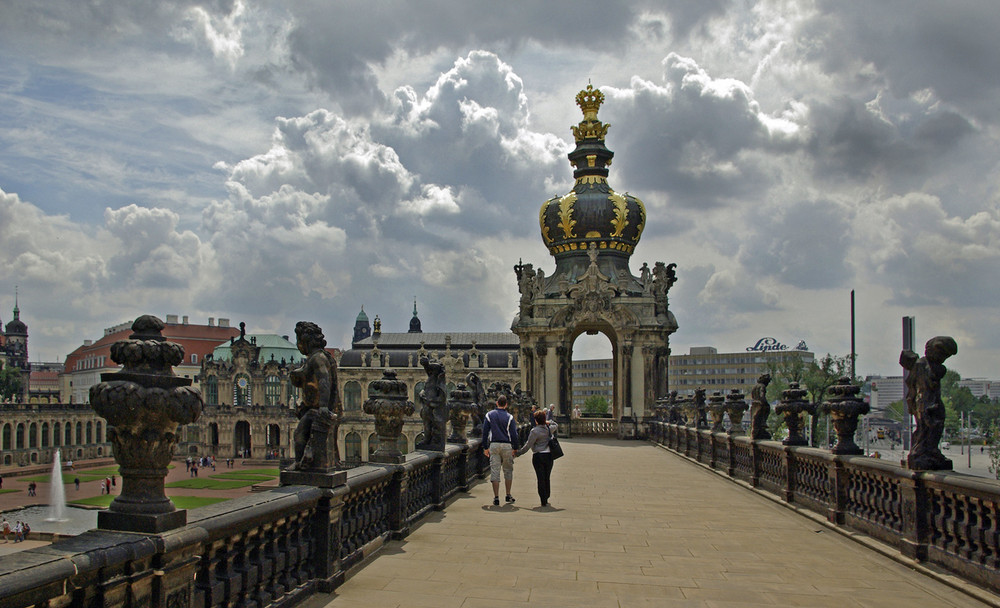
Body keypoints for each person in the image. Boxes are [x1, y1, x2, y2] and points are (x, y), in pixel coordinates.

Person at [482, 394, 520, 506]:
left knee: (495, 470)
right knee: (508, 470)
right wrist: (515, 448)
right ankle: (508, 495)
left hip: (494, 444)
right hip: (507, 445)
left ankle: (496, 497)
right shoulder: (510, 417)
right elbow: (514, 434)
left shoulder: (489, 415)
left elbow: (484, 433)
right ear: (506, 405)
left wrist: (485, 447)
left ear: (497, 403)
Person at [517, 410, 559, 507]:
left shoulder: (534, 431)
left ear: (536, 420)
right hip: (549, 456)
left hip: (538, 456)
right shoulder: (549, 429)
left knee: (540, 478)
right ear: (544, 419)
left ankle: (543, 499)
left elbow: (528, 445)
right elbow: (556, 424)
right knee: (547, 477)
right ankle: (547, 496)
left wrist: (519, 453)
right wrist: (549, 422)